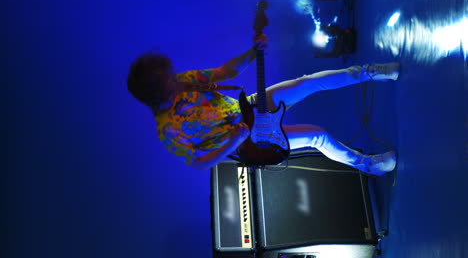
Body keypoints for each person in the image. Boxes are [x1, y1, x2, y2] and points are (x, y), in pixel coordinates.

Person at [127, 35, 399, 176]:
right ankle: (367, 165)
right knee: (317, 136)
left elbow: (225, 72)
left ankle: (371, 71)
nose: (173, 78)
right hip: (250, 140)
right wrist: (233, 142)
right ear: (157, 92)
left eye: (168, 74)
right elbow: (198, 164)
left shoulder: (182, 81)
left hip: (249, 107)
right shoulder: (167, 130)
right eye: (166, 80)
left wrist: (252, 51)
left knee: (305, 84)